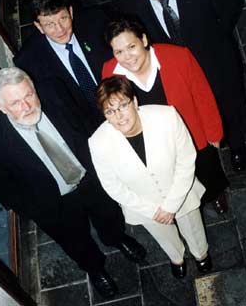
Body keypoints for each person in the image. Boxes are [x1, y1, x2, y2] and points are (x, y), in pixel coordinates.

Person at [0, 67, 146, 299]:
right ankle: (95, 268)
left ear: (34, 88)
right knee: (76, 241)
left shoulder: (54, 90)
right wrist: (38, 209)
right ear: (0, 106)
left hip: (89, 178)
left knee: (108, 213)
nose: (27, 106)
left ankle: (117, 237)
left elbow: (85, 121)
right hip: (54, 203)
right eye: (15, 103)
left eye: (29, 95)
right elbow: (5, 190)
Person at [120, 0, 246, 172]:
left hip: (215, 62)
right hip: (175, 73)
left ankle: (236, 144)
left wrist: (215, 38)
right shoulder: (130, 7)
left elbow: (229, 8)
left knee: (228, 103)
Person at [102, 15, 229, 214]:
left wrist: (213, 132)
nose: (127, 57)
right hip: (153, 138)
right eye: (119, 52)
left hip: (190, 130)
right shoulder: (110, 72)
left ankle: (214, 194)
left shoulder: (178, 57)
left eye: (131, 47)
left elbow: (203, 95)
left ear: (143, 40)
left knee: (205, 168)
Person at [89, 76, 212, 279]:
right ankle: (177, 257)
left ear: (135, 102)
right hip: (145, 206)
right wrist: (153, 211)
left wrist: (171, 205)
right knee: (163, 235)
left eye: (123, 105)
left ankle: (201, 253)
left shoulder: (167, 116)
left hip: (180, 191)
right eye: (110, 111)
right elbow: (113, 186)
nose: (119, 116)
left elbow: (186, 159)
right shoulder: (97, 143)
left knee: (192, 226)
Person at [14, 0, 112, 135]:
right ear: (39, 26)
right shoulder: (28, 62)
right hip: (86, 130)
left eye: (63, 18)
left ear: (71, 12)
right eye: (50, 24)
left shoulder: (97, 22)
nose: (59, 29)